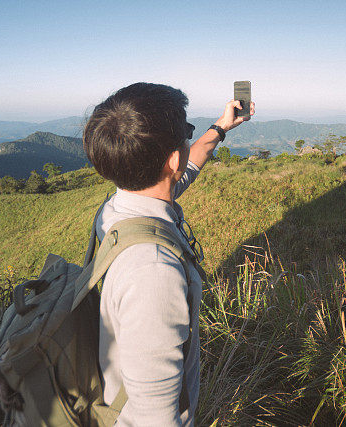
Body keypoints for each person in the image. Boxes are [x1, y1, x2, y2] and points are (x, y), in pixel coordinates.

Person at [82, 82, 255, 426]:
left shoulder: (117, 208)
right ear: (173, 158)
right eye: (186, 133)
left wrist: (220, 128)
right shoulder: (154, 272)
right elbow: (154, 418)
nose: (190, 141)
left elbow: (182, 173)